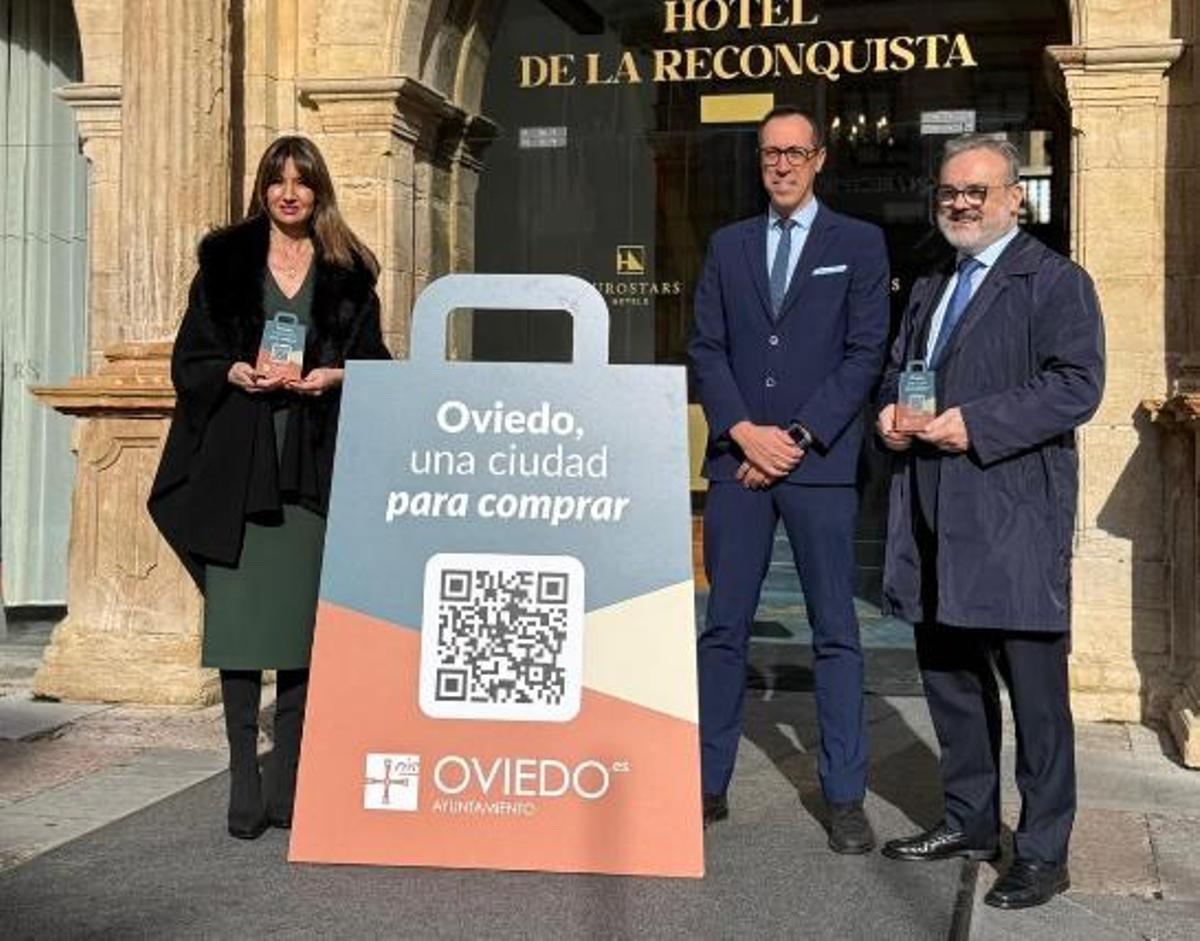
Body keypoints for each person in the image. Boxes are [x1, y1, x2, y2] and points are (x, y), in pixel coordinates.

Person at [875, 135, 1104, 909]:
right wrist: (888, 411)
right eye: (949, 192)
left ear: (1016, 198)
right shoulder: (932, 280)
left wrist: (974, 422)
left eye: (977, 190)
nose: (960, 203)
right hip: (932, 510)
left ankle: (1043, 850)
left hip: (1010, 516)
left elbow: (1077, 386)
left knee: (1036, 699)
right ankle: (971, 821)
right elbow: (902, 364)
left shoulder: (1055, 281)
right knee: (950, 681)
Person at [148, 136, 391, 839]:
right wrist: (232, 370)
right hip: (239, 462)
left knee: (298, 633)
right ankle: (243, 780)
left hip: (310, 466)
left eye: (302, 180)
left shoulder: (350, 271)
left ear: (319, 191)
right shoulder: (224, 262)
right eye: (277, 180)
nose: (290, 192)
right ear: (262, 188)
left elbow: (376, 359)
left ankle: (287, 782)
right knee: (240, 626)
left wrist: (333, 375)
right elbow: (189, 354)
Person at [690, 105, 890, 853]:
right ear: (759, 159)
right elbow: (708, 346)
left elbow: (865, 352)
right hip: (739, 462)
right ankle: (707, 783)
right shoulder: (728, 244)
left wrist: (799, 436)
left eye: (795, 152)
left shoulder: (858, 243)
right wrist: (744, 430)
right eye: (770, 153)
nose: (781, 164)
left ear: (820, 160)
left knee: (836, 631)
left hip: (820, 464)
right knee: (723, 628)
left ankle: (844, 796)